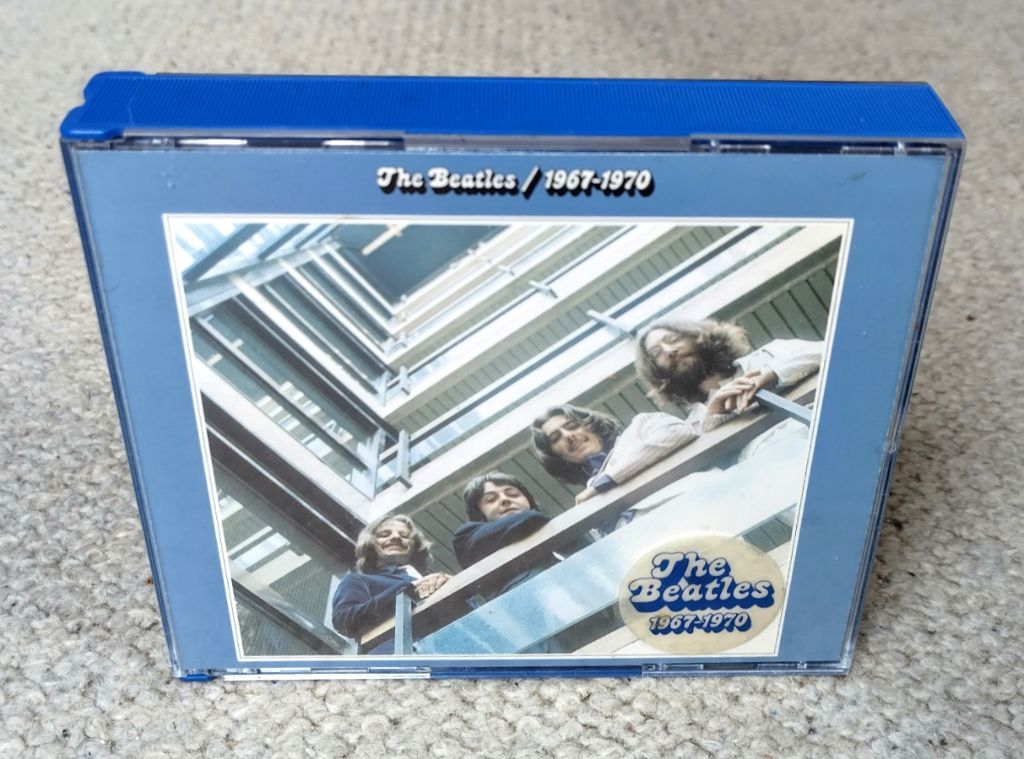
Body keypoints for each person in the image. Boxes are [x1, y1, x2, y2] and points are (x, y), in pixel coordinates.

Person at [635, 317, 824, 463]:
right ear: (656, 370)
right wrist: (714, 417)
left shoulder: (770, 354)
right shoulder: (691, 427)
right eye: (656, 353)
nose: (669, 351)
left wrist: (772, 375)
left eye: (673, 339)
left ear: (695, 335)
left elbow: (829, 351)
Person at [331, 515, 450, 654]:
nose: (396, 537)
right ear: (371, 543)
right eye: (385, 534)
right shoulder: (358, 580)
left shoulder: (432, 578)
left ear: (414, 544)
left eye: (404, 535)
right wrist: (407, 592)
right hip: (393, 656)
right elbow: (343, 620)